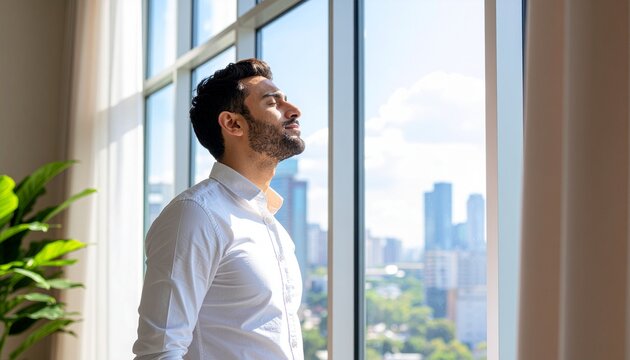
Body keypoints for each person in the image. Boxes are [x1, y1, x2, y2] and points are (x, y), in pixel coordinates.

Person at [133, 58, 305, 360]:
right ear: (233, 123)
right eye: (272, 102)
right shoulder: (195, 215)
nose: (293, 111)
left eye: (286, 101)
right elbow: (159, 352)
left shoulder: (271, 225)